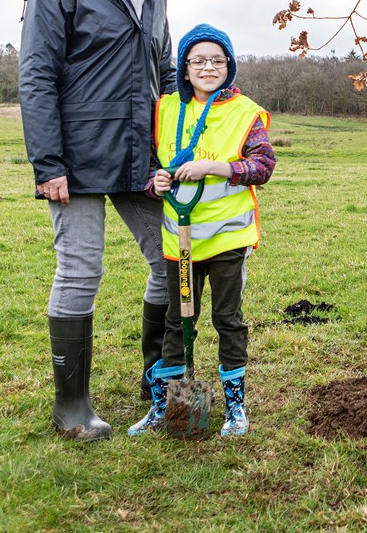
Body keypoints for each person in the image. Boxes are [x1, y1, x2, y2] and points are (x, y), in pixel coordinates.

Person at [19, 0, 175, 441]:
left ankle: (157, 374)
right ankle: (72, 406)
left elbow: (166, 69)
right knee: (82, 270)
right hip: (77, 156)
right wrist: (49, 163)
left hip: (142, 152)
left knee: (173, 259)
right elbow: (37, 75)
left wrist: (185, 135)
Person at [129, 24, 275, 438]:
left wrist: (217, 167)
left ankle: (235, 409)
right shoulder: (166, 109)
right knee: (177, 322)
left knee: (227, 320)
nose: (208, 67)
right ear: (185, 67)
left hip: (228, 238)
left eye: (217, 60)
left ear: (228, 66)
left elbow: (262, 167)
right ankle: (166, 407)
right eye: (198, 60)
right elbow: (151, 166)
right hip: (181, 242)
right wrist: (154, 182)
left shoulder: (246, 112)